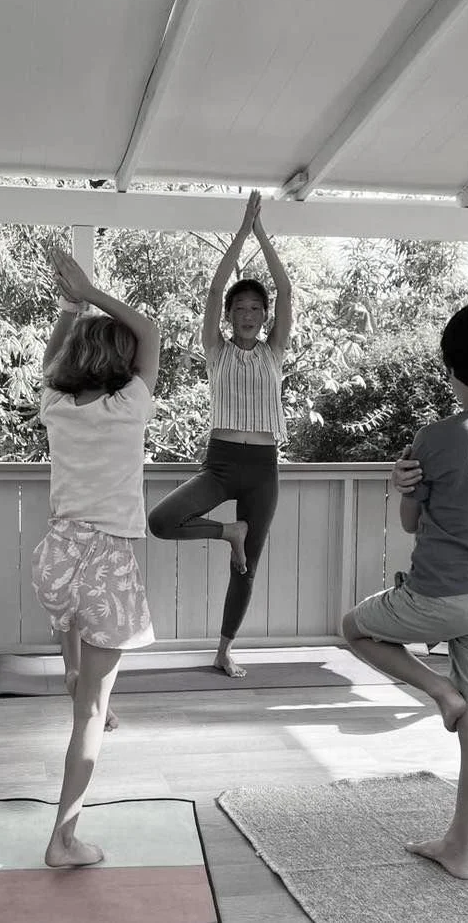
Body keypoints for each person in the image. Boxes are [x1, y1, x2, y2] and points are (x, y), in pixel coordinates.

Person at [342, 297, 468, 880]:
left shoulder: (432, 438)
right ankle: (460, 849)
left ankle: (438, 692)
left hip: (436, 597)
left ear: (450, 364)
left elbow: (410, 523)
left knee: (354, 627)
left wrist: (405, 487)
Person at [34, 246, 160, 868]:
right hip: (106, 561)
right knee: (91, 713)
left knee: (74, 634)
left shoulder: (55, 407)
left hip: (56, 555)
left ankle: (74, 670)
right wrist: (91, 291)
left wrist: (69, 306)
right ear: (123, 362)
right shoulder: (129, 406)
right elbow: (151, 330)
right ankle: (64, 838)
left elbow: (53, 360)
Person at [147, 190, 292, 677]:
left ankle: (224, 650)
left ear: (265, 316)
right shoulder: (217, 351)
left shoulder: (274, 352)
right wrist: (240, 233)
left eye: (256, 308)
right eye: (240, 309)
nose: (248, 315)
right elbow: (212, 291)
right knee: (163, 521)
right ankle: (227, 531)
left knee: (247, 564)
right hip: (222, 463)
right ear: (229, 316)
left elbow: (286, 290)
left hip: (264, 469)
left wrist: (261, 234)